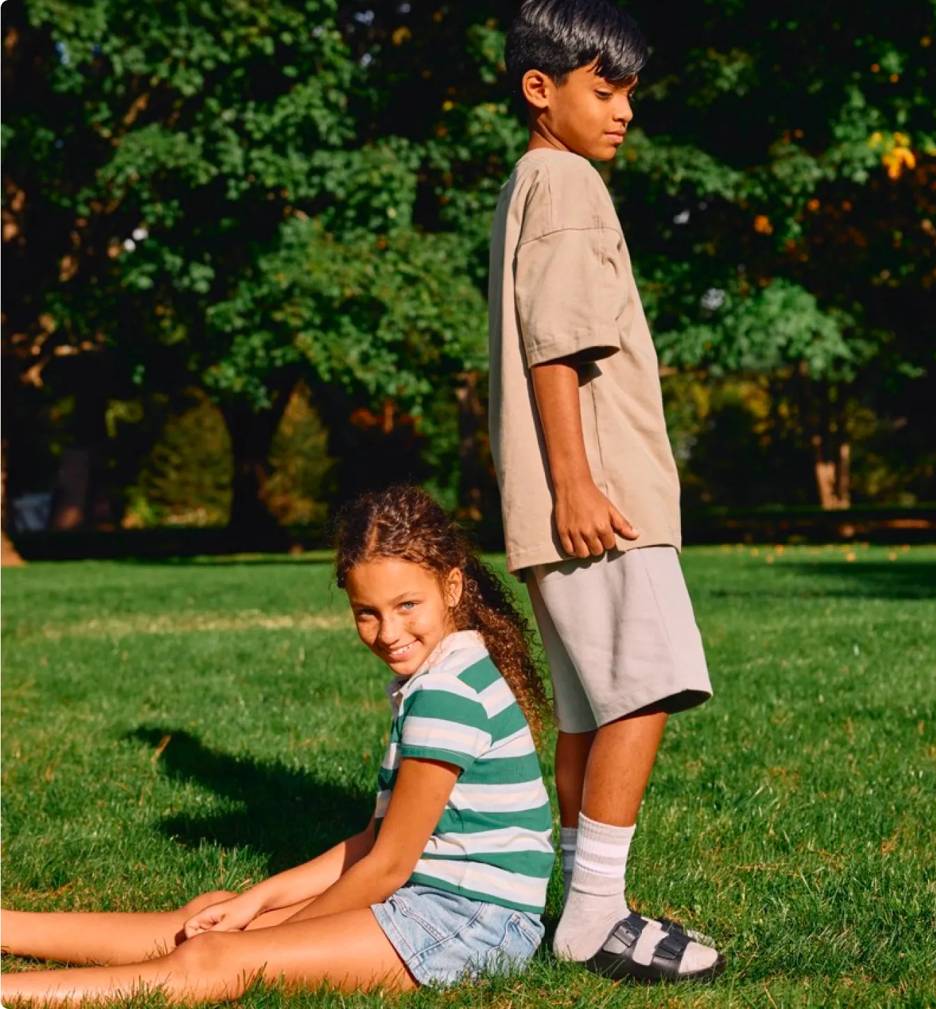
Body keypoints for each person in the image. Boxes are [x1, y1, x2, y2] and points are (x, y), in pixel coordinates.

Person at [1, 486, 554, 1004]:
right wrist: (256, 902)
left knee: (220, 956)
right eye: (368, 612)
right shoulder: (443, 672)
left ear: (452, 587)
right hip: (434, 904)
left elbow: (386, 868)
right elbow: (371, 843)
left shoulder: (447, 694)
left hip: (470, 926)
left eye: (407, 605)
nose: (388, 632)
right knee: (212, 914)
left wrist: (270, 937)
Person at [487, 0, 725, 983]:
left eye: (630, 91)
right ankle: (593, 915)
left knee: (591, 706)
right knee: (650, 682)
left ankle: (584, 904)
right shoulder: (567, 180)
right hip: (601, 502)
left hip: (567, 502)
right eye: (603, 88)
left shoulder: (534, 180)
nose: (624, 110)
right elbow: (557, 345)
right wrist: (578, 485)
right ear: (540, 91)